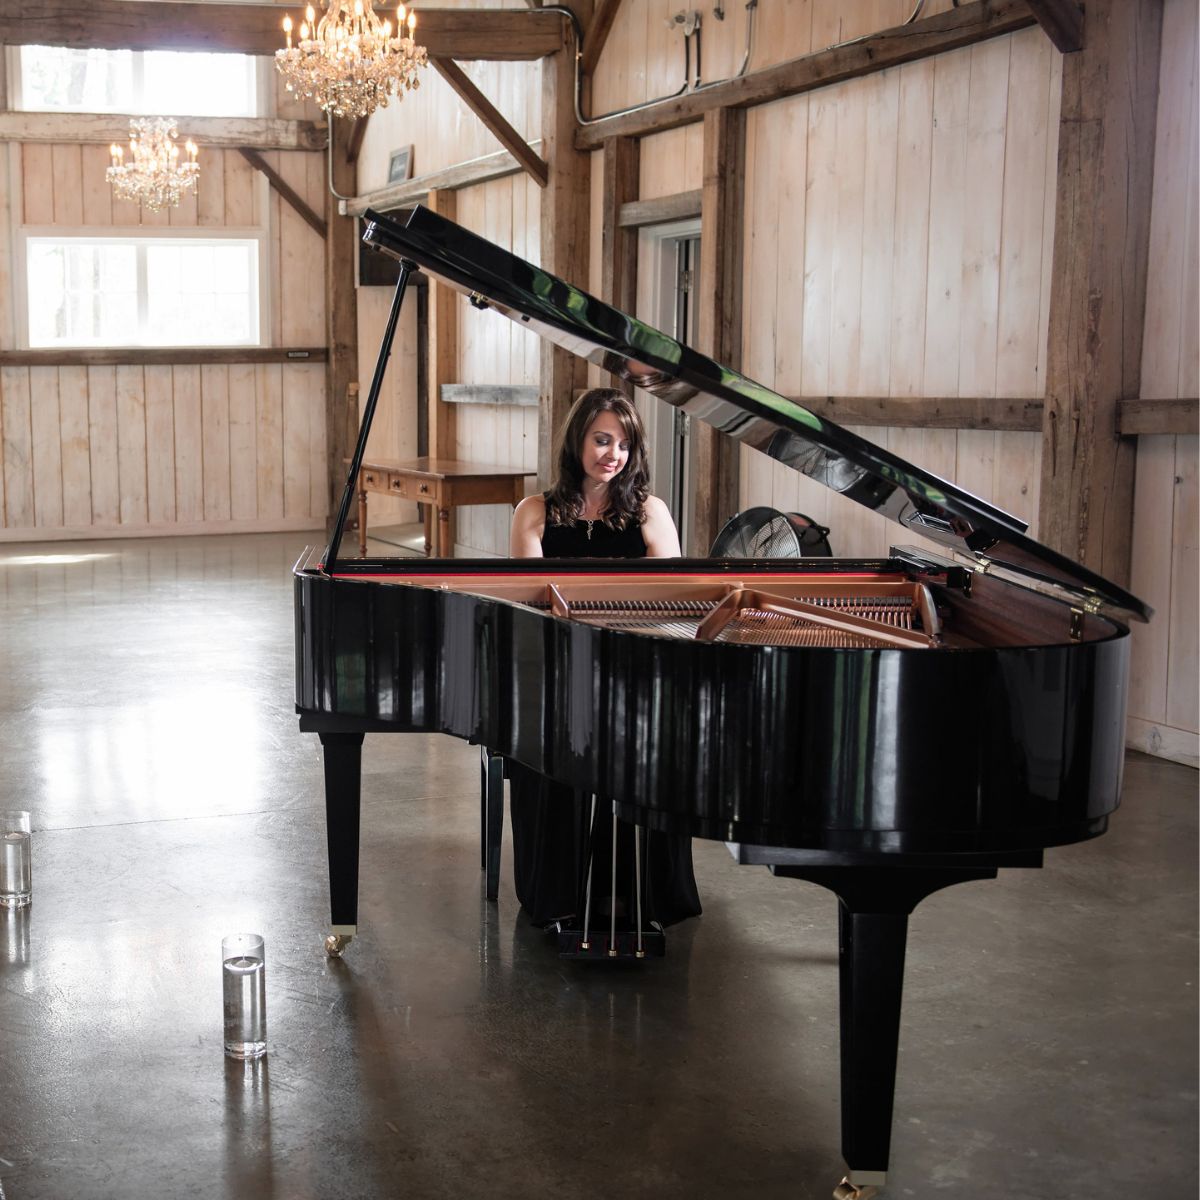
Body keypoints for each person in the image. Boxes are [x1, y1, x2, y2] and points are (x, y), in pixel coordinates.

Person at [506, 387, 702, 936]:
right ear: (578, 440)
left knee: (660, 738)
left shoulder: (649, 511)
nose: (611, 453)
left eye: (622, 442)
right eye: (600, 439)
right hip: (557, 667)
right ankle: (559, 893)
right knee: (544, 737)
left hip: (635, 667)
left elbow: (672, 597)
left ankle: (641, 894)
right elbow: (533, 598)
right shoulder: (535, 511)